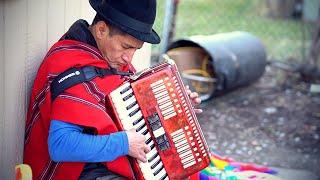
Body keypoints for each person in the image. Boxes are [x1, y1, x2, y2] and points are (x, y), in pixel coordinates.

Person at [23, 0, 202, 179]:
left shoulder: (109, 59)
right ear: (101, 30)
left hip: (104, 158)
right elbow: (60, 145)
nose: (128, 58)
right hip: (74, 170)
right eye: (126, 47)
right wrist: (123, 143)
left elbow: (136, 108)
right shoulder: (70, 64)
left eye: (136, 49)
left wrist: (175, 108)